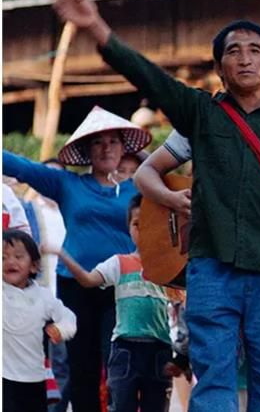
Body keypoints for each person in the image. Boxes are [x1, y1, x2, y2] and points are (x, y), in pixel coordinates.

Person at [52, 0, 260, 411]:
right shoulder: (201, 113)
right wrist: (96, 28)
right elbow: (150, 78)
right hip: (212, 269)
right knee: (213, 381)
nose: (245, 59)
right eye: (233, 52)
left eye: (255, 51)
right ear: (220, 69)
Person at [134, 124, 260, 412]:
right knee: (216, 368)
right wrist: (172, 199)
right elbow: (145, 173)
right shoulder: (200, 117)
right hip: (214, 262)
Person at [3, 107, 151, 412]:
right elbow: (18, 166)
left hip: (123, 288)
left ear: (124, 148)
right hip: (75, 286)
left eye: (113, 141)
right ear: (87, 151)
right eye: (98, 142)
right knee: (82, 368)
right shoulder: (67, 184)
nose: (106, 148)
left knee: (119, 364)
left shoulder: (141, 189)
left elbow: (178, 189)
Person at [50, 195, 175, 412]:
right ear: (129, 228)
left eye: (150, 223)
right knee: (120, 405)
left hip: (159, 349)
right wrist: (64, 256)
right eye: (137, 224)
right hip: (125, 349)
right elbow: (88, 280)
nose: (143, 230)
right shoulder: (119, 263)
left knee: (156, 406)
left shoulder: (168, 266)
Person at [3, 229, 77, 412]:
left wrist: (61, 329)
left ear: (34, 266)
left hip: (34, 376)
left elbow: (68, 317)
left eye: (18, 257)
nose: (10, 262)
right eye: (3, 258)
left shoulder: (43, 297)